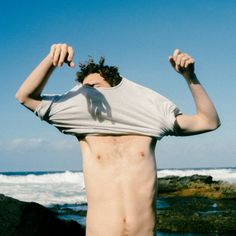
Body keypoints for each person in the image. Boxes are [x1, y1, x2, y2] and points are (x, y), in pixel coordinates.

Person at [15, 43, 220, 236]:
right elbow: (25, 96)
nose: (86, 93)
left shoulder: (150, 118)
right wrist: (51, 60)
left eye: (93, 85)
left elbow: (208, 121)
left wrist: (189, 77)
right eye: (83, 88)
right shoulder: (81, 126)